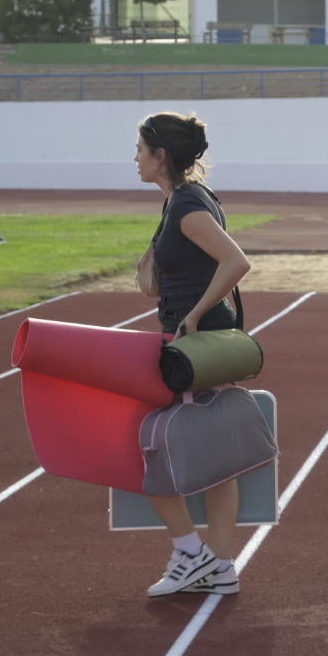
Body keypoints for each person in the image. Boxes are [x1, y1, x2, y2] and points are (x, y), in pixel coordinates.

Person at [134, 111, 254, 598]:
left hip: (194, 345)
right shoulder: (181, 202)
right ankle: (221, 567)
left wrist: (193, 317)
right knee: (216, 457)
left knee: (148, 447)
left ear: (161, 156)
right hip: (203, 342)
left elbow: (236, 261)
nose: (134, 158)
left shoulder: (187, 206)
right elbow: (154, 281)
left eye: (140, 149)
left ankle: (190, 552)